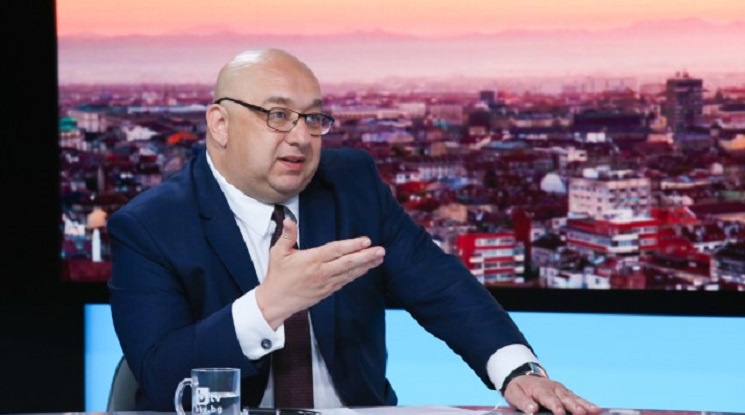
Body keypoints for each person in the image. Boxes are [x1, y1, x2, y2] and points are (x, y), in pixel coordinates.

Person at [108, 47, 601, 415]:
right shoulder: (149, 226)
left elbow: (439, 285)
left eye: (313, 118)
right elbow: (161, 377)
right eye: (278, 116)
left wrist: (516, 369)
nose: (301, 136)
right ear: (220, 123)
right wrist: (268, 306)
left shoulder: (352, 183)